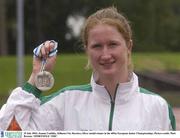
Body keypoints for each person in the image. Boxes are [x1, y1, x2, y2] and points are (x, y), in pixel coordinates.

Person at [0, 7, 176, 131]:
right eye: (97, 46)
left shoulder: (157, 108)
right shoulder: (66, 103)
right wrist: (36, 79)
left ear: (128, 46)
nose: (105, 54)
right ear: (86, 49)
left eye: (113, 44)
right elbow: (9, 133)